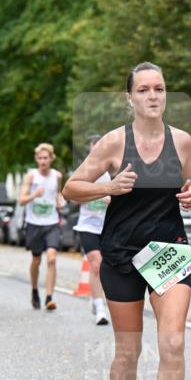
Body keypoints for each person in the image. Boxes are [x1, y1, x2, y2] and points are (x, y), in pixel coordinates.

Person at [62, 63, 191, 380]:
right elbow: (71, 188)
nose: (153, 96)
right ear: (130, 98)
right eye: (144, 90)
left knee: (172, 342)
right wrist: (108, 186)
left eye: (159, 88)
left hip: (168, 252)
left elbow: (190, 181)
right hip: (121, 254)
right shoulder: (113, 143)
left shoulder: (183, 141)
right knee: (129, 352)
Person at [18, 143, 66, 311]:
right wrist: (34, 195)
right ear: (36, 159)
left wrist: (60, 201)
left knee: (52, 258)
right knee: (36, 260)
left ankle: (49, 298)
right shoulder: (31, 176)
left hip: (52, 223)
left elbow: (57, 194)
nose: (43, 161)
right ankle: (34, 290)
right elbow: (21, 200)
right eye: (40, 158)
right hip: (34, 224)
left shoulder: (57, 176)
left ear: (51, 158)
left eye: (45, 158)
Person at [73, 135, 111, 326]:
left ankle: (97, 298)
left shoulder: (114, 170)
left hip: (109, 227)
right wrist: (91, 194)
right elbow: (71, 196)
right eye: (93, 149)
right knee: (96, 264)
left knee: (107, 268)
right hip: (87, 226)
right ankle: (100, 308)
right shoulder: (85, 171)